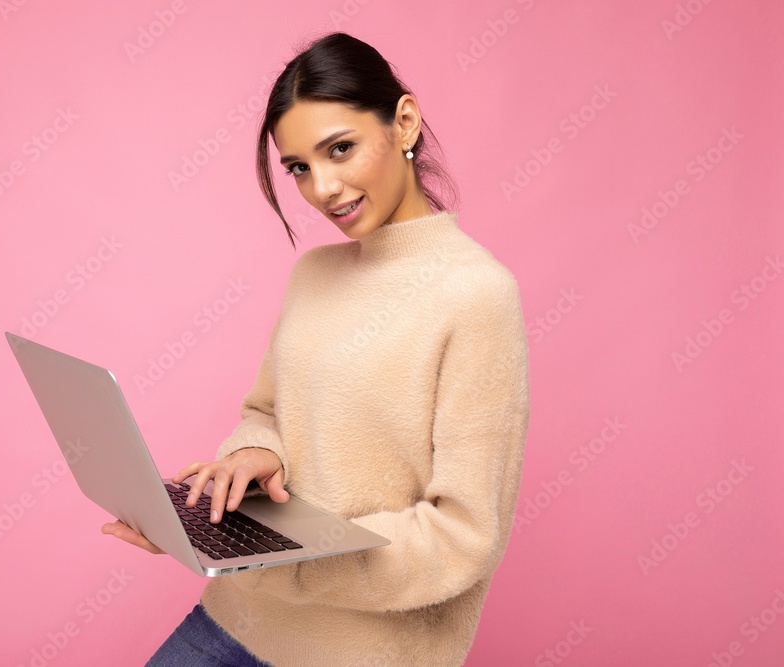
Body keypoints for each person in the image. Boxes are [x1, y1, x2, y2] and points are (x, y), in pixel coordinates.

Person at [101, 31, 530, 667]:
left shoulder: (477, 296)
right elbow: (268, 414)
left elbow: (461, 539)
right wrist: (248, 459)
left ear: (404, 123)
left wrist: (272, 560)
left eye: (341, 149)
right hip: (233, 623)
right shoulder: (315, 275)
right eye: (299, 167)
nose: (322, 189)